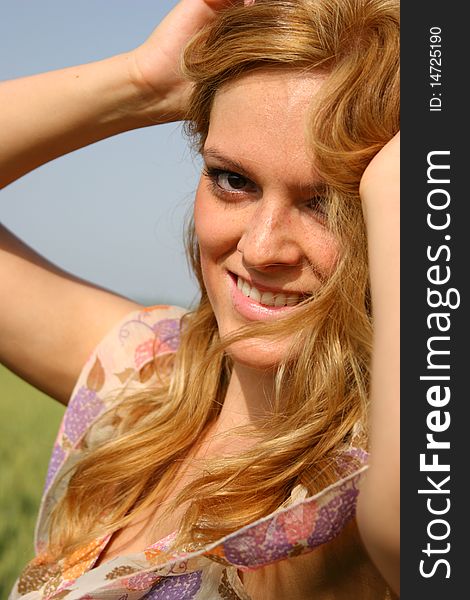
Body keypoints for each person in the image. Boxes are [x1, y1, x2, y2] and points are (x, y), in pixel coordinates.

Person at [1, 0, 400, 598]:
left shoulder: (379, 486)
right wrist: (141, 82)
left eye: (328, 202)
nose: (263, 248)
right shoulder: (146, 379)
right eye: (233, 180)